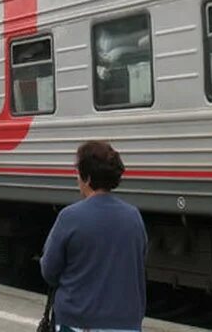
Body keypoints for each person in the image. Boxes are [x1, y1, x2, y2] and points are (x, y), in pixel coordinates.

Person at [40, 141, 148, 332]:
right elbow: (139, 262)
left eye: (78, 173)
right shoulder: (134, 217)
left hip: (78, 323)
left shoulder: (70, 217)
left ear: (87, 178)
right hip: (126, 324)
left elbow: (49, 271)